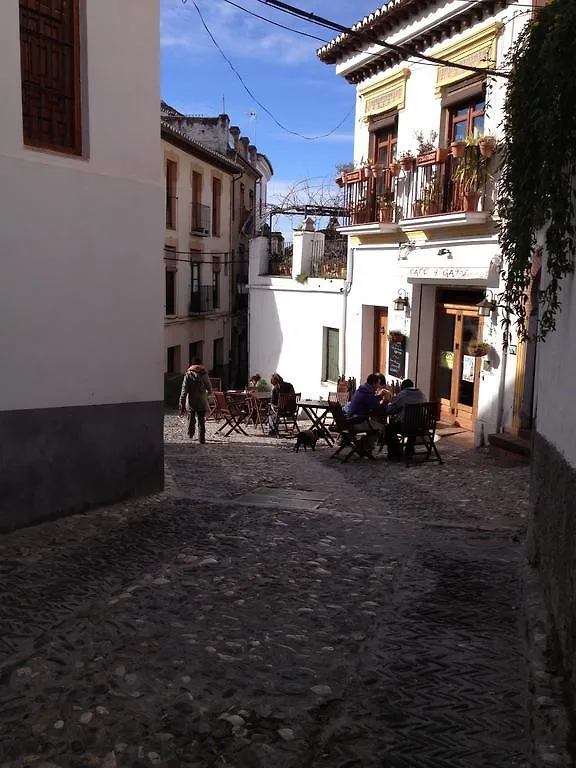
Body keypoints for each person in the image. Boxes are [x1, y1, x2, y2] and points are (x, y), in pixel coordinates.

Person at [346, 374, 389, 452]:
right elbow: (378, 410)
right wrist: (386, 401)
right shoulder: (368, 393)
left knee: (374, 424)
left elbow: (370, 402)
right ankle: (365, 447)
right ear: (373, 383)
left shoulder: (362, 390)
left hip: (349, 420)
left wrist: (379, 396)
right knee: (381, 427)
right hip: (356, 422)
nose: (378, 386)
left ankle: (362, 445)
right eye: (378, 384)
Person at [385, 378, 426, 460]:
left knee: (389, 428)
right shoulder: (421, 394)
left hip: (406, 427)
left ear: (402, 387)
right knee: (413, 421)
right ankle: (409, 449)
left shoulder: (402, 395)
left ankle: (395, 453)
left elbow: (390, 410)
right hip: (421, 427)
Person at [179, 361, 213, 444]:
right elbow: (209, 387)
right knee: (201, 420)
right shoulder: (204, 374)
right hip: (201, 399)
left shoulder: (188, 375)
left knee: (191, 418)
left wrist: (181, 402)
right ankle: (202, 438)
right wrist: (207, 394)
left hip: (191, 399)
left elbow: (184, 390)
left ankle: (190, 434)